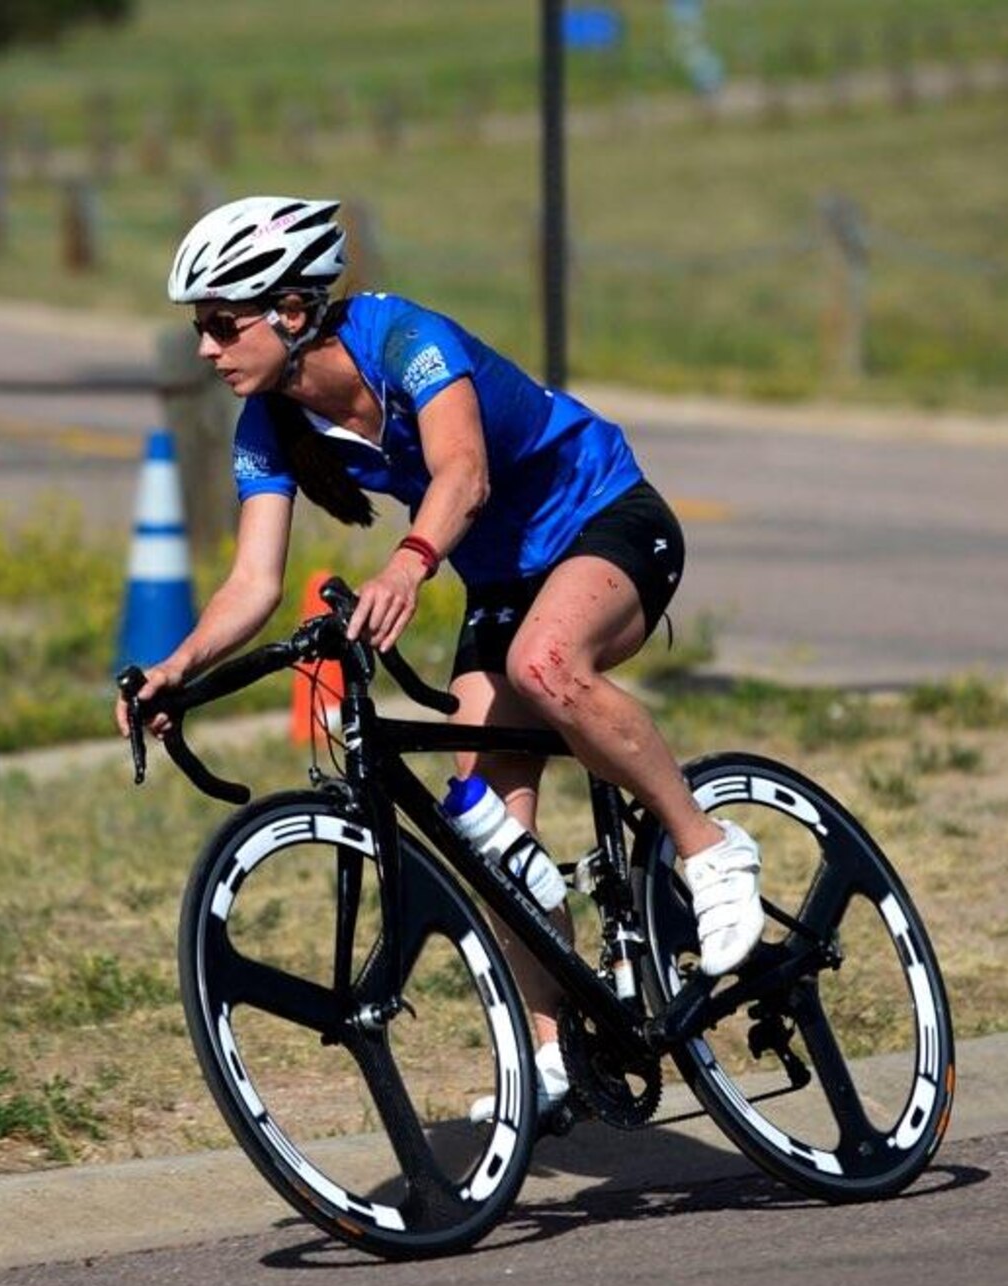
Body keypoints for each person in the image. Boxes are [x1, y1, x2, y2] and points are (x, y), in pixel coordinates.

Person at [116, 195, 763, 1124]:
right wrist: (174, 669)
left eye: (222, 325)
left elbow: (466, 471)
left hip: (604, 518)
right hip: (502, 574)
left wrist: (410, 564)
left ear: (293, 311)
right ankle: (556, 1056)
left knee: (545, 662)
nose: (207, 350)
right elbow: (253, 584)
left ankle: (711, 850)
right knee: (490, 834)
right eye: (199, 331)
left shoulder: (405, 338)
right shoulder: (269, 425)